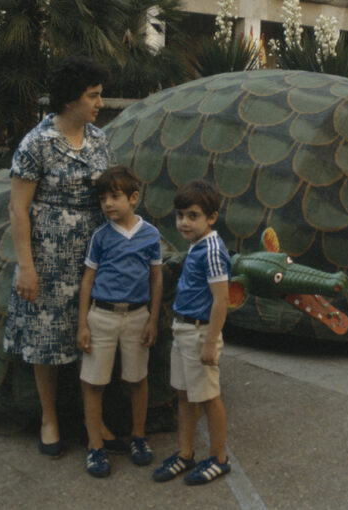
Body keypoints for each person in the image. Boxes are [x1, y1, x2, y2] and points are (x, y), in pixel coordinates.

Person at [4, 56, 115, 458]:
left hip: (93, 255)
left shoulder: (99, 140)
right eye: (93, 96)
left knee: (93, 333)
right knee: (47, 340)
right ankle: (49, 419)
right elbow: (18, 209)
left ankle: (92, 419)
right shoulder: (37, 143)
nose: (99, 103)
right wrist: (27, 267)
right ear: (70, 100)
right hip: (49, 259)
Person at [77, 165, 163, 478]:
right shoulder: (100, 237)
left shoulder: (151, 234)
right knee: (94, 382)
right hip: (102, 316)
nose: (108, 204)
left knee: (137, 379)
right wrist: (83, 324)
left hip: (138, 316)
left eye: (115, 196)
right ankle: (95, 446)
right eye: (103, 199)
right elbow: (88, 279)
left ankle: (138, 437)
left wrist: (153, 320)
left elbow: (156, 279)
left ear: (133, 197)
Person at [154, 179, 232, 485]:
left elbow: (221, 299)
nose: (184, 222)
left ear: (211, 217)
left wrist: (210, 342)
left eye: (193, 216)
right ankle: (185, 453)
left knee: (209, 398)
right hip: (183, 329)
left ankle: (219, 458)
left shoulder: (212, 249)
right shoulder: (197, 243)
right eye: (180, 215)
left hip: (200, 333)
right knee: (185, 396)